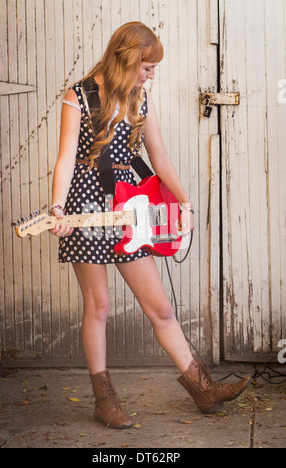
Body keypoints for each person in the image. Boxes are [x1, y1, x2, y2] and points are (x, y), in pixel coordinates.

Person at [50, 22, 250, 429]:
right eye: (147, 66)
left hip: (130, 206)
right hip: (86, 206)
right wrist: (57, 209)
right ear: (126, 59)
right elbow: (66, 158)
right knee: (99, 305)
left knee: (159, 306)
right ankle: (104, 401)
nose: (152, 74)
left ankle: (204, 389)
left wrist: (185, 201)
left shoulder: (141, 97)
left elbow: (160, 159)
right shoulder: (80, 95)